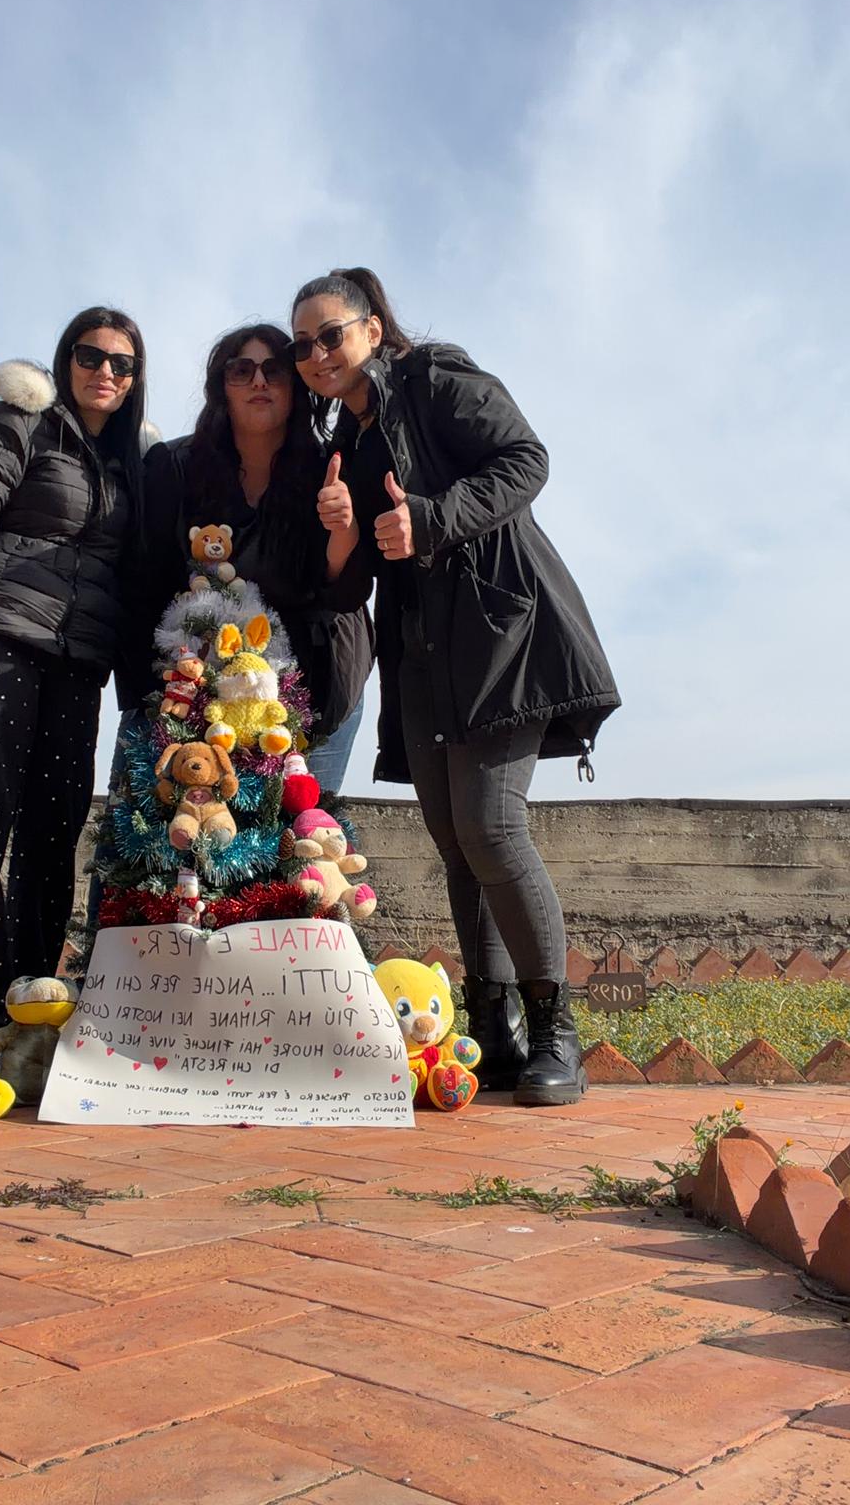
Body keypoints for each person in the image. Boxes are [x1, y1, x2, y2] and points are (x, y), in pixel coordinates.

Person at [291, 268, 620, 1106]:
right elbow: (365, 569)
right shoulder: (355, 445)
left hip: (498, 632)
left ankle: (556, 1032)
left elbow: (526, 459)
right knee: (454, 838)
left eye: (330, 334)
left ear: (371, 328)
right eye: (303, 346)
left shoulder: (436, 378)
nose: (317, 354)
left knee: (491, 825)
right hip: (421, 652)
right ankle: (496, 1032)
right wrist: (342, 532)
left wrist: (431, 518)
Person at [0, 307, 148, 1091]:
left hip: (77, 671)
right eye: (91, 355)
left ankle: (30, 1013)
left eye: (121, 363)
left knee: (53, 841)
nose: (105, 372)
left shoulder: (130, 466)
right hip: (1, 650)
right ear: (67, 359)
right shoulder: (21, 424)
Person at [137, 323, 373, 791]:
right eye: (242, 370)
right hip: (192, 689)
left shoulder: (329, 468)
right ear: (221, 386)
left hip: (312, 688)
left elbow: (344, 593)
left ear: (297, 385)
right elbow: (148, 580)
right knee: (170, 850)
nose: (260, 382)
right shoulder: (174, 465)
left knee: (300, 851)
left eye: (275, 370)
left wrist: (343, 530)